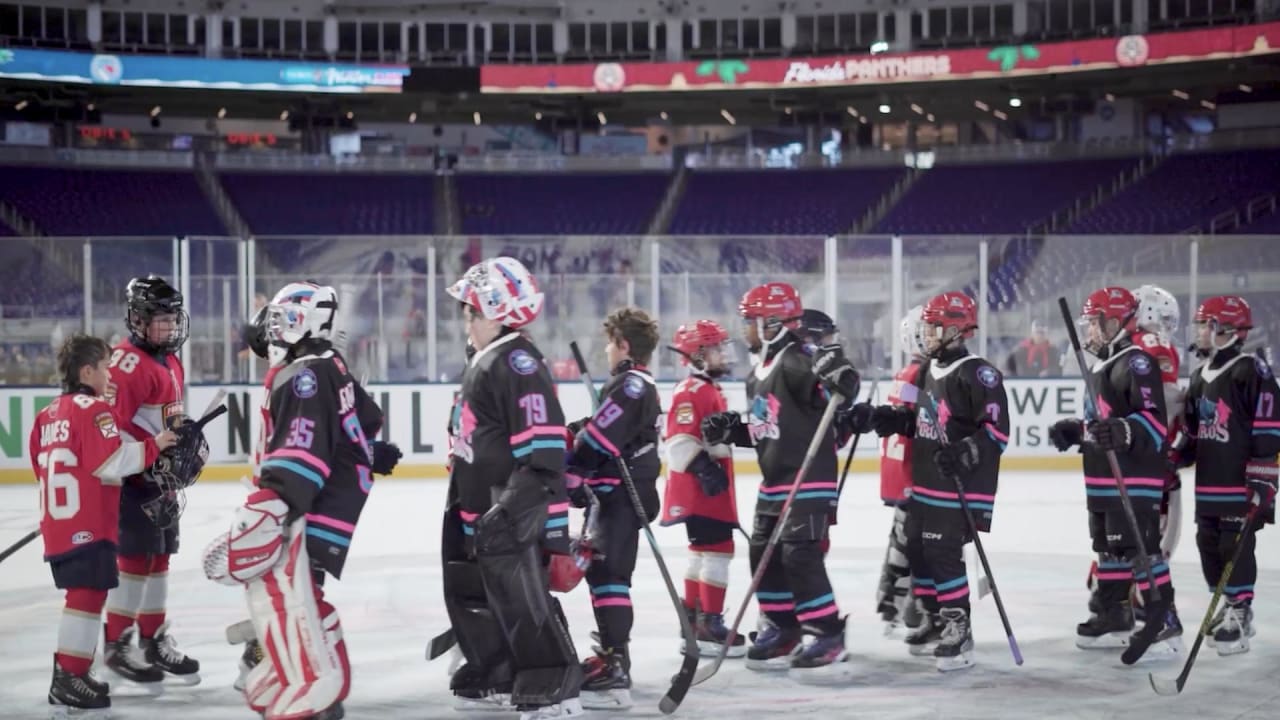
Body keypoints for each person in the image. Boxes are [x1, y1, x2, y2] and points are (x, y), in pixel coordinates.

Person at [204, 282, 395, 720]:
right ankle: (293, 672)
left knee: (291, 601)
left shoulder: (305, 375)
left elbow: (300, 452)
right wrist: (367, 451)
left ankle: (300, 683)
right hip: (326, 511)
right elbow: (363, 420)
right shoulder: (327, 363)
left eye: (281, 320)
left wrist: (271, 508)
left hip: (305, 513)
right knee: (304, 599)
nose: (272, 330)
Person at [440, 257, 582, 720]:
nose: (467, 322)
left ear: (499, 312)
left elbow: (542, 454)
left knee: (521, 595)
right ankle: (498, 671)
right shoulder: (488, 359)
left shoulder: (517, 362)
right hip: (480, 506)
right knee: (479, 592)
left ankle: (554, 683)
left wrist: (511, 510)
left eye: (473, 312)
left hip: (510, 509)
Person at [700, 282, 859, 674]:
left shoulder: (797, 358)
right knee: (761, 555)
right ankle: (783, 626)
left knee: (799, 553)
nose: (744, 330)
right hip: (774, 481)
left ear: (771, 324)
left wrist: (843, 378)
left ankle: (827, 633)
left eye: (750, 322)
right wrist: (732, 430)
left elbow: (835, 392)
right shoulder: (758, 373)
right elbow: (764, 427)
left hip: (808, 479)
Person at [855, 291, 1010, 671]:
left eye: (933, 327)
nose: (926, 334)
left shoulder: (978, 372)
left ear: (956, 330)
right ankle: (934, 619)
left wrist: (965, 452)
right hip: (925, 483)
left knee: (943, 554)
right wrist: (888, 419)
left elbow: (997, 432)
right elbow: (922, 422)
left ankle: (959, 628)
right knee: (919, 552)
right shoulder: (927, 370)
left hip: (957, 487)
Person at [32, 334, 177, 715]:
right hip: (89, 525)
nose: (111, 373)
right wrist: (155, 445)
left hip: (60, 522)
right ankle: (68, 677)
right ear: (87, 370)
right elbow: (111, 462)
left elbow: (40, 465)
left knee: (85, 595)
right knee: (85, 597)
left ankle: (73, 672)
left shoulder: (47, 414)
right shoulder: (94, 410)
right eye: (105, 366)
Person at [1049, 287, 1183, 664]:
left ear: (1115, 321)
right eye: (1088, 323)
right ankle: (1113, 615)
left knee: (1139, 548)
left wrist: (1124, 431)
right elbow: (1102, 421)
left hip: (1133, 476)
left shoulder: (1137, 362)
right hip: (1102, 476)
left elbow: (1153, 422)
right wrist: (1077, 431)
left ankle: (1164, 621)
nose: (1090, 329)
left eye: (1095, 322)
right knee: (1107, 547)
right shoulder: (1100, 364)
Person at [102, 275, 202, 685]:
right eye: (161, 318)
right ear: (138, 320)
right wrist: (150, 455)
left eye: (173, 317)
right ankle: (116, 643)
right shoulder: (126, 363)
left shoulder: (169, 358)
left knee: (160, 558)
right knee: (133, 561)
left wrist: (182, 444)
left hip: (161, 480)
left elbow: (166, 417)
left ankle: (153, 639)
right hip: (134, 480)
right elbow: (111, 427)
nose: (171, 326)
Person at [564, 307, 662, 709]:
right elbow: (604, 426)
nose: (605, 349)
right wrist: (578, 428)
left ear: (623, 344)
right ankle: (613, 656)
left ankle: (615, 666)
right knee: (605, 574)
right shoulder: (629, 385)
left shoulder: (632, 386)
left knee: (610, 577)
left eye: (609, 341)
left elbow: (603, 438)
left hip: (619, 494)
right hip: (616, 493)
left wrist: (573, 471)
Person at [1178, 296, 1280, 656]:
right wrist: (1172, 457)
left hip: (1241, 482)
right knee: (1207, 545)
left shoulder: (1251, 371)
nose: (1200, 332)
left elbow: (1269, 427)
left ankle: (1241, 609)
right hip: (1208, 485)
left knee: (1233, 546)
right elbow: (1192, 433)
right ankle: (1224, 603)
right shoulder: (1197, 377)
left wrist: (1265, 475)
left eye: (1206, 325)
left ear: (1226, 330)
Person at [660, 320, 745, 657]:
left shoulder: (707, 389)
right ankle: (709, 624)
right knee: (718, 551)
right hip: (701, 491)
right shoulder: (690, 391)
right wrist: (704, 469)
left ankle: (693, 621)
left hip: (705, 490)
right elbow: (678, 440)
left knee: (701, 551)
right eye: (715, 348)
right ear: (696, 356)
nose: (723, 353)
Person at [867, 306, 927, 631]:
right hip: (914, 476)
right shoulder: (923, 375)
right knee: (921, 543)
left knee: (902, 539)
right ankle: (912, 605)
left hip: (898, 475)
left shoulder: (905, 374)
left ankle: (891, 601)